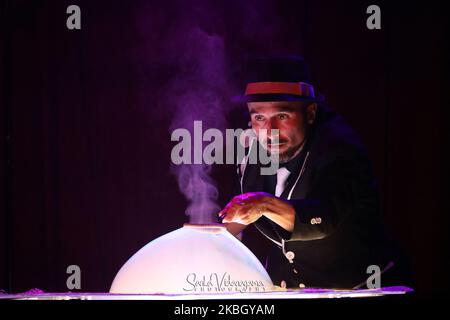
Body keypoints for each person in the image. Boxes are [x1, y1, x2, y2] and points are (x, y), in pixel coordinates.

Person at [219, 56, 411, 289]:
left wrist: (264, 204)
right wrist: (208, 237)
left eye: (282, 116)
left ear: (310, 113)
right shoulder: (251, 147)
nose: (270, 131)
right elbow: (241, 212)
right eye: (259, 117)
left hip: (362, 287)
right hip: (289, 288)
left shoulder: (340, 149)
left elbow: (321, 219)